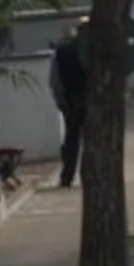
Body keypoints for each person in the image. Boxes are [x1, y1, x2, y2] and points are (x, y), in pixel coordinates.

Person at [48, 25, 88, 188]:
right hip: (88, 100)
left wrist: (61, 101)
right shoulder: (96, 49)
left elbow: (54, 81)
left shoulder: (62, 52)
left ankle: (67, 176)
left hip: (71, 101)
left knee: (71, 140)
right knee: (91, 141)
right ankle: (88, 175)